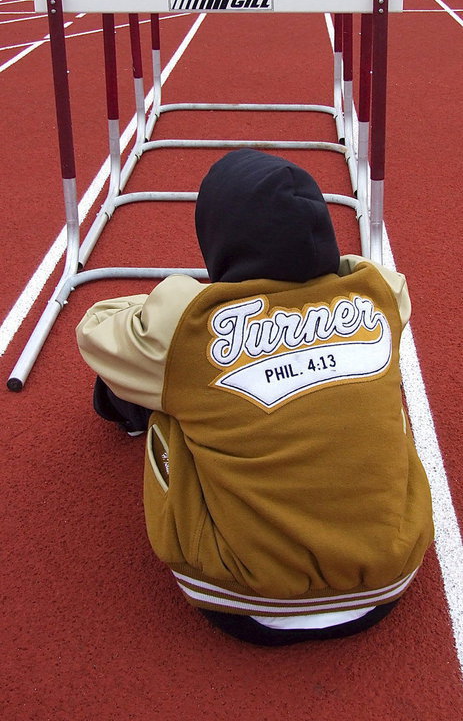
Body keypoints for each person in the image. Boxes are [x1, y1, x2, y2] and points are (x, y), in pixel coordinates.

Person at [76, 149, 434, 646]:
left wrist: (183, 302)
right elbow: (365, 272)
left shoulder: (186, 325)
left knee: (168, 394)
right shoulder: (381, 295)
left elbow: (95, 330)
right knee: (368, 398)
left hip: (241, 594)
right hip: (389, 576)